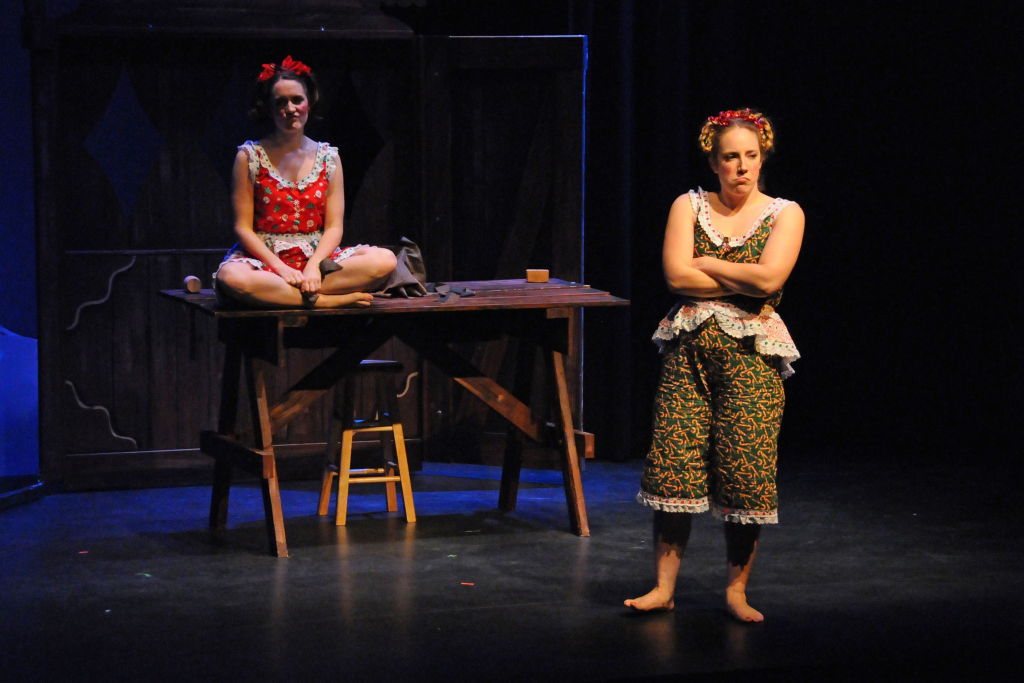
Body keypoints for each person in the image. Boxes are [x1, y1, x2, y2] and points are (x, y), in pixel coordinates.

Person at [624, 109, 805, 622]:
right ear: (714, 162)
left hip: (753, 360)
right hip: (687, 354)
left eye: (751, 156)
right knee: (673, 463)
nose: (741, 167)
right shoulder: (689, 205)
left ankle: (736, 592)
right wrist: (739, 276)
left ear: (762, 157)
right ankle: (663, 588)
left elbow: (770, 281)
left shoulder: (785, 214)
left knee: (746, 468)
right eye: (730, 157)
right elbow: (676, 278)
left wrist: (706, 264)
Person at [215, 56, 397, 308]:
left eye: (296, 100)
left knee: (385, 260)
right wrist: (280, 268)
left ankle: (286, 295)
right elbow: (243, 228)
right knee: (232, 278)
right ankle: (322, 301)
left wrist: (313, 266)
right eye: (280, 102)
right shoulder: (249, 156)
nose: (290, 108)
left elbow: (334, 227)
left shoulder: (329, 157)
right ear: (268, 108)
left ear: (309, 102)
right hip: (266, 259)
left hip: (316, 257)